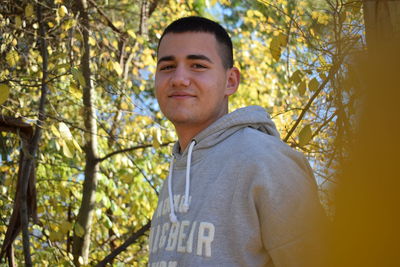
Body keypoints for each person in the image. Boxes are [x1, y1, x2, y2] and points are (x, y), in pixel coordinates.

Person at [148, 16, 327, 267]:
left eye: (197, 65)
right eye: (167, 67)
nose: (179, 78)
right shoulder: (176, 172)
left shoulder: (265, 161)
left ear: (230, 81)